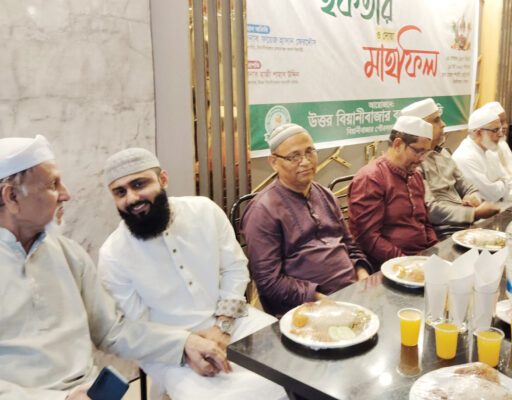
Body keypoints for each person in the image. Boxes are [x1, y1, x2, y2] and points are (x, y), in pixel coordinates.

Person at [0, 136, 230, 400]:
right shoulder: (112, 250)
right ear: (12, 196)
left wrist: (185, 343)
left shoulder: (68, 254)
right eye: (53, 184)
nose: (66, 194)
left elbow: (112, 329)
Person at [98, 148, 286, 400]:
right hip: (168, 347)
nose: (132, 198)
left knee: (296, 363)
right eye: (120, 192)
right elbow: (135, 328)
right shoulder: (113, 254)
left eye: (139, 184)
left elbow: (234, 268)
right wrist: (185, 347)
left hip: (233, 319)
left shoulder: (204, 211)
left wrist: (223, 326)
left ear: (163, 179)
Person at [241, 123, 372, 317]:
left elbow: (349, 245)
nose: (306, 162)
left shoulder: (325, 195)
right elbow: (269, 282)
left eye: (310, 152)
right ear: (274, 162)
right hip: (305, 311)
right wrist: (320, 299)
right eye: (294, 156)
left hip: (351, 296)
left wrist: (362, 275)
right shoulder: (263, 210)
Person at [400, 98, 499, 236]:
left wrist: (472, 199)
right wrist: (473, 213)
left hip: (467, 226)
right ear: (420, 128)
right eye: (436, 120)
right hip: (441, 234)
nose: (443, 124)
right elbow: (430, 210)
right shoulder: (413, 163)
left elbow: (470, 188)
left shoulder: (443, 153)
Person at [348, 115, 438, 266]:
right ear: (398, 144)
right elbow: (368, 238)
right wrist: (406, 262)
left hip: (420, 259)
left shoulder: (415, 176)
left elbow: (425, 223)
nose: (422, 159)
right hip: (389, 265)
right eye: (418, 151)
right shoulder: (371, 178)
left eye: (426, 153)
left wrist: (435, 251)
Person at [452, 106, 512, 202]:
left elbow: (507, 180)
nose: (501, 134)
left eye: (500, 129)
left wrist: (499, 184)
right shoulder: (464, 157)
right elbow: (489, 195)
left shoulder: (489, 150)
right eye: (495, 130)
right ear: (478, 133)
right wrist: (501, 183)